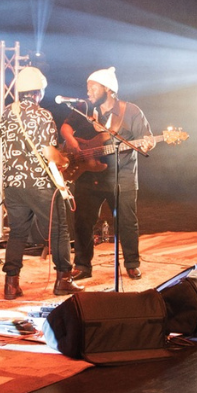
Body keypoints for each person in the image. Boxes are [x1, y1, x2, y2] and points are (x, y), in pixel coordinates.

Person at [59, 67, 153, 280]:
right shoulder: (83, 108)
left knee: (127, 222)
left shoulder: (131, 111)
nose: (88, 92)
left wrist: (147, 145)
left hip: (122, 177)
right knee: (82, 221)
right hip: (88, 175)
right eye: (87, 87)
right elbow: (65, 127)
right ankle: (82, 266)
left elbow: (145, 139)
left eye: (93, 87)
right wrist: (73, 143)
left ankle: (131, 263)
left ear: (108, 89)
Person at [0, 67, 82, 299]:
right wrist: (65, 159)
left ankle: (11, 284)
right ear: (38, 92)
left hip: (13, 185)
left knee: (17, 232)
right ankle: (64, 280)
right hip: (38, 184)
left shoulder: (6, 113)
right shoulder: (43, 115)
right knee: (59, 230)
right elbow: (49, 152)